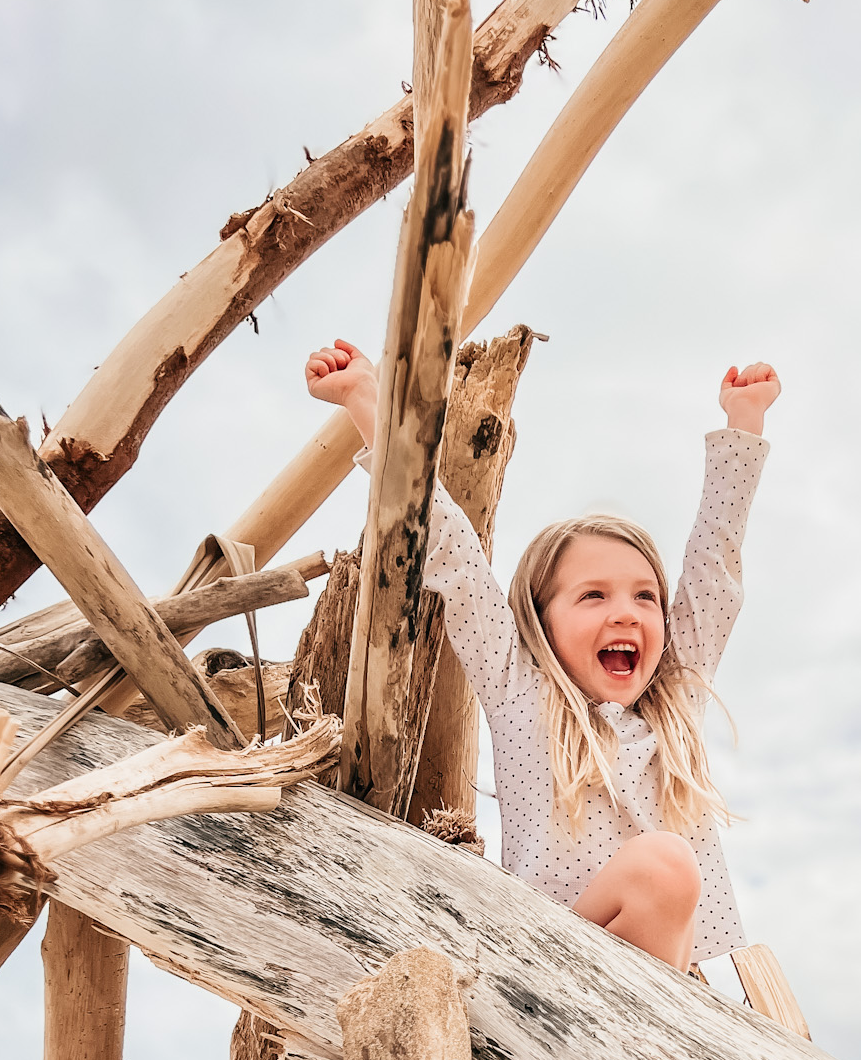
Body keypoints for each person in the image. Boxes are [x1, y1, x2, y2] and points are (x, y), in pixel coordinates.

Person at [305, 338, 780, 973]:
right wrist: (367, 401)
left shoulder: (676, 704)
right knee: (667, 866)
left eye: (646, 597)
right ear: (538, 623)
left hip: (666, 983)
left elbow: (715, 572)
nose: (626, 613)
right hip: (546, 966)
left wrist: (743, 424)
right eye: (593, 595)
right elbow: (448, 543)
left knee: (668, 871)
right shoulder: (518, 689)